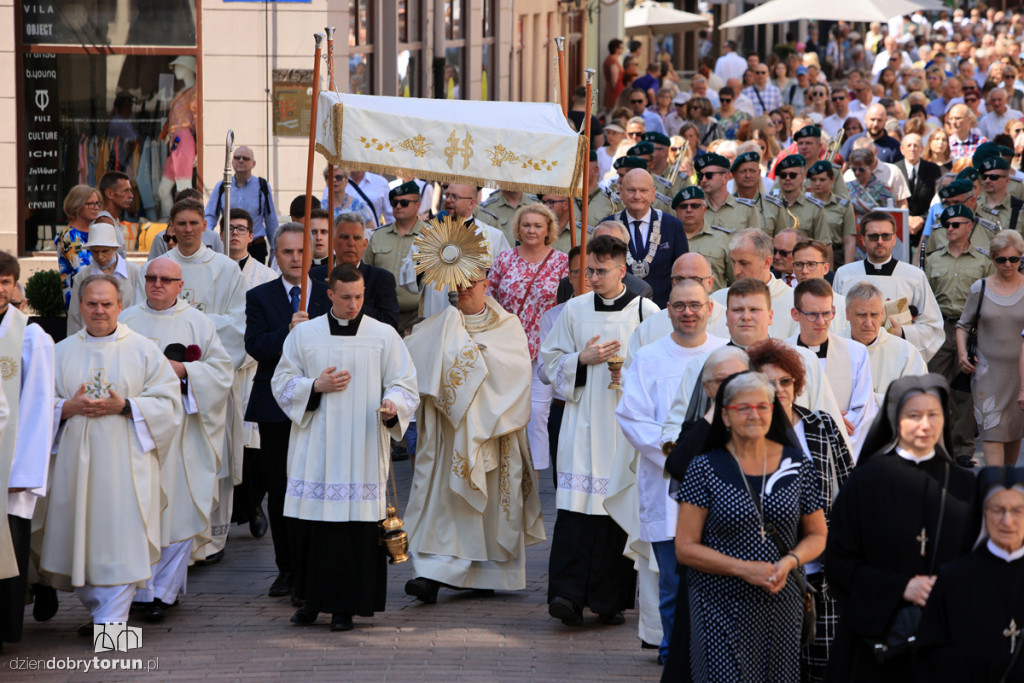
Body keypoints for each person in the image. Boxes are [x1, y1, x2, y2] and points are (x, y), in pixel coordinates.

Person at [273, 264, 417, 632]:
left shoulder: (384, 336)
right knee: (313, 530)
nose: (353, 305)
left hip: (361, 447)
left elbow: (404, 383)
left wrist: (393, 406)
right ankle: (310, 602)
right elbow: (282, 382)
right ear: (330, 295)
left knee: (354, 533)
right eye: (346, 297)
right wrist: (314, 386)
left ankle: (345, 608)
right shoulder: (305, 335)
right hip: (316, 447)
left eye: (359, 297)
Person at [404, 226, 544, 603]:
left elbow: (516, 376)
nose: (464, 289)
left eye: (472, 281)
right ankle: (432, 573)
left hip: (493, 431)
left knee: (488, 511)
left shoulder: (509, 326)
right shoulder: (434, 327)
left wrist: (472, 360)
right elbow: (415, 370)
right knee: (443, 502)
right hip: (449, 434)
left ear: (486, 283)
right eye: (458, 283)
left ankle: (486, 573)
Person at [41, 275, 182, 632]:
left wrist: (127, 406)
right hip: (74, 468)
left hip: (127, 468)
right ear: (81, 307)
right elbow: (36, 408)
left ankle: (111, 624)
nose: (100, 310)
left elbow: (169, 403)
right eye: (92, 304)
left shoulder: (144, 349)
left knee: (121, 541)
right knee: (81, 543)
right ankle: (101, 614)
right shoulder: (60, 352)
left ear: (120, 306)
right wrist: (66, 407)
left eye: (107, 304)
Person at [674, 371, 827, 681]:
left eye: (763, 406)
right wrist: (745, 569)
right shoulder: (704, 467)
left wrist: (789, 561)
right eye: (743, 408)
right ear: (726, 417)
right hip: (718, 602)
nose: (754, 415)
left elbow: (818, 534)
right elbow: (685, 548)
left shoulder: (797, 464)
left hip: (780, 600)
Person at [825, 374, 976, 683]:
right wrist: (900, 587)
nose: (925, 425)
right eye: (913, 415)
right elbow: (838, 564)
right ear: (895, 418)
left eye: (933, 415)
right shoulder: (866, 482)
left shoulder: (966, 485)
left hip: (947, 640)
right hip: (876, 645)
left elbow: (981, 561)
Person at [541, 234, 660, 626]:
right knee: (576, 511)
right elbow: (547, 366)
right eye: (588, 270)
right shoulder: (573, 311)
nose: (592, 277)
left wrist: (628, 374)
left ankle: (609, 601)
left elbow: (660, 367)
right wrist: (581, 358)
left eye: (600, 271)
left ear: (622, 270)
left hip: (623, 429)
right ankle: (566, 597)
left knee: (616, 512)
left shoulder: (646, 312)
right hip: (581, 424)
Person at [616, 278, 726, 663]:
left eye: (695, 305)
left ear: (710, 309)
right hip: (665, 482)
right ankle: (673, 650)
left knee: (716, 574)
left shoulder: (725, 356)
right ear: (668, 310)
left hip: (719, 481)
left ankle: (712, 649)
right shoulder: (649, 357)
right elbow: (632, 417)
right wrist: (676, 458)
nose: (688, 312)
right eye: (679, 306)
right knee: (672, 576)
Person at [119, 257, 234, 620]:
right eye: (151, 278)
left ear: (179, 285)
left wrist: (184, 369)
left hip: (183, 434)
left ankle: (162, 594)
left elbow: (221, 373)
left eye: (165, 279)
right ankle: (137, 592)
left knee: (180, 509)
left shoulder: (198, 323)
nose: (157, 284)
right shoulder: (126, 322)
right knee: (138, 511)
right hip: (136, 431)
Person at [145, 197, 247, 563]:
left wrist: (193, 329)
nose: (187, 229)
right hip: (162, 390)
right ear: (170, 227)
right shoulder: (158, 268)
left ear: (205, 225)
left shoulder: (225, 268)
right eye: (181, 223)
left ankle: (212, 538)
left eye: (194, 223)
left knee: (211, 459)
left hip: (207, 383)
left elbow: (238, 325)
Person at [745, 339, 853, 682]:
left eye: (785, 382)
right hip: (769, 572)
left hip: (824, 570)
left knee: (825, 666)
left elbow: (849, 484)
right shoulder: (745, 437)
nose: (778, 390)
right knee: (776, 668)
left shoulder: (820, 425)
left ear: (798, 384)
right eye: (767, 383)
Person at [245, 224, 332, 601]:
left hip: (324, 404)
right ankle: (287, 570)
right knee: (280, 489)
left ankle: (319, 566)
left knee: (319, 487)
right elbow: (256, 347)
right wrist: (287, 332)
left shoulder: (330, 294)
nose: (296, 259)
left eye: (302, 252)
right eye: (287, 253)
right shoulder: (260, 296)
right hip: (276, 407)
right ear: (275, 256)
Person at [915, 466, 1024, 682]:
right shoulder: (954, 579)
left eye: (1018, 510)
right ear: (982, 513)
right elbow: (929, 655)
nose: (1007, 521)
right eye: (997, 509)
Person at [0, 251, 54, 651]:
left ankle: (2, 632)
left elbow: (38, 407)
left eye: (6, 281)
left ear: (15, 285)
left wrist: (25, 474)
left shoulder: (32, 337)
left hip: (9, 468)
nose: (0, 289)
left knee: (7, 554)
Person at [488, 203, 568, 471]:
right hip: (507, 347)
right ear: (517, 229)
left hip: (544, 347)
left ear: (549, 230)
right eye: (526, 225)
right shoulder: (504, 259)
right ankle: (505, 469)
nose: (531, 230)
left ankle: (534, 474)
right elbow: (490, 300)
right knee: (506, 409)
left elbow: (568, 304)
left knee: (537, 414)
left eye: (537, 225)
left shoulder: (561, 262)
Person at [925, 204, 993, 463]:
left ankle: (963, 450)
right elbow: (924, 297)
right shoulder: (932, 259)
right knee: (934, 387)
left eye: (955, 224)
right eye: (946, 225)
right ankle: (934, 446)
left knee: (966, 390)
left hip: (974, 330)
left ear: (969, 226)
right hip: (940, 327)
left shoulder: (984, 261)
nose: (950, 229)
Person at [225, 207, 276, 539]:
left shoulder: (266, 277)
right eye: (228, 228)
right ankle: (228, 508)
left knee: (253, 446)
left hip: (253, 368)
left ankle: (255, 504)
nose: (234, 235)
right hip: (220, 369)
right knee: (225, 441)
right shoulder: (214, 271)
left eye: (241, 229)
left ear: (252, 236)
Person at [833, 211, 944, 363]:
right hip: (853, 358)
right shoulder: (844, 274)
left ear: (894, 239)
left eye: (886, 236)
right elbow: (834, 321)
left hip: (896, 359)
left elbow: (933, 327)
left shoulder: (914, 277)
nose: (880, 241)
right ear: (862, 240)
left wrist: (903, 332)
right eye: (873, 236)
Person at [787, 278, 877, 457]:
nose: (821, 321)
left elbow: (863, 412)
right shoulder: (782, 354)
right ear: (795, 314)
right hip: (795, 450)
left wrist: (831, 431)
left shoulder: (856, 353)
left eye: (827, 313)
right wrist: (831, 421)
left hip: (842, 448)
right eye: (812, 314)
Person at [957, 230, 1024, 467]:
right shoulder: (980, 288)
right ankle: (993, 495)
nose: (1008, 264)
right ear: (993, 259)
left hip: (1019, 376)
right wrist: (963, 354)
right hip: (987, 374)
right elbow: (963, 325)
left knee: (1014, 436)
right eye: (1001, 259)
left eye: (1014, 259)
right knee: (993, 435)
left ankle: (1006, 496)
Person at [601, 168, 688, 307]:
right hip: (619, 310)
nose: (637, 196)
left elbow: (683, 273)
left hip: (663, 311)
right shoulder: (607, 227)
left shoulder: (672, 226)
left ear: (653, 194)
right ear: (621, 192)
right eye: (631, 190)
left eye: (643, 190)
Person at [310, 213, 400, 330]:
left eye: (357, 238)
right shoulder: (314, 277)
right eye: (344, 237)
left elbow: (390, 323)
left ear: (365, 244)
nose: (351, 243)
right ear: (333, 243)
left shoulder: (381, 279)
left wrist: (353, 300)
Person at [844, 282, 927, 406]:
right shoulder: (833, 347)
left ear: (882, 314)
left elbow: (918, 398)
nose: (868, 323)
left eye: (874, 315)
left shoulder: (906, 352)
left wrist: (872, 401)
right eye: (861, 315)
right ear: (847, 314)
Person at [709, 229, 798, 340]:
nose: (736, 271)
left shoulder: (795, 301)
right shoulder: (716, 301)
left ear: (767, 262)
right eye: (733, 262)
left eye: (744, 263)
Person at [204, 146, 279, 263]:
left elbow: (271, 221)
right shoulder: (222, 186)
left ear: (253, 164)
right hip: (229, 247)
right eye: (237, 157)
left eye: (245, 158)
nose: (241, 160)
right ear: (232, 162)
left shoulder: (262, 186)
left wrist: (275, 252)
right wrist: (208, 243)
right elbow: (210, 217)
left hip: (256, 248)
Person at [67, 223, 141, 335]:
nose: (100, 256)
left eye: (105, 251)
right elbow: (74, 318)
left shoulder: (135, 272)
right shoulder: (81, 277)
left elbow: (142, 311)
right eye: (95, 252)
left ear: (115, 248)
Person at [672, 186, 734, 291]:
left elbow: (735, 278)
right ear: (676, 211)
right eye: (683, 206)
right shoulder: (666, 239)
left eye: (695, 206)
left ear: (704, 209)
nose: (689, 210)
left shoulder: (722, 239)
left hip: (714, 304)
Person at [55, 185, 103, 308]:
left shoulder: (95, 230)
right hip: (81, 303)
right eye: (91, 204)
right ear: (77, 207)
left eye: (97, 203)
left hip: (99, 297)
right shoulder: (69, 236)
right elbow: (84, 270)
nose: (96, 207)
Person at [320, 167, 375, 232]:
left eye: (338, 177)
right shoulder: (321, 207)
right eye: (329, 177)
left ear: (346, 181)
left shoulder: (359, 205)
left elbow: (371, 231)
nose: (334, 180)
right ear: (326, 182)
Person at [93, 171, 133, 256]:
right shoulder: (104, 221)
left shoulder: (112, 219)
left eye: (130, 191)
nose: (131, 195)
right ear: (110, 193)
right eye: (126, 191)